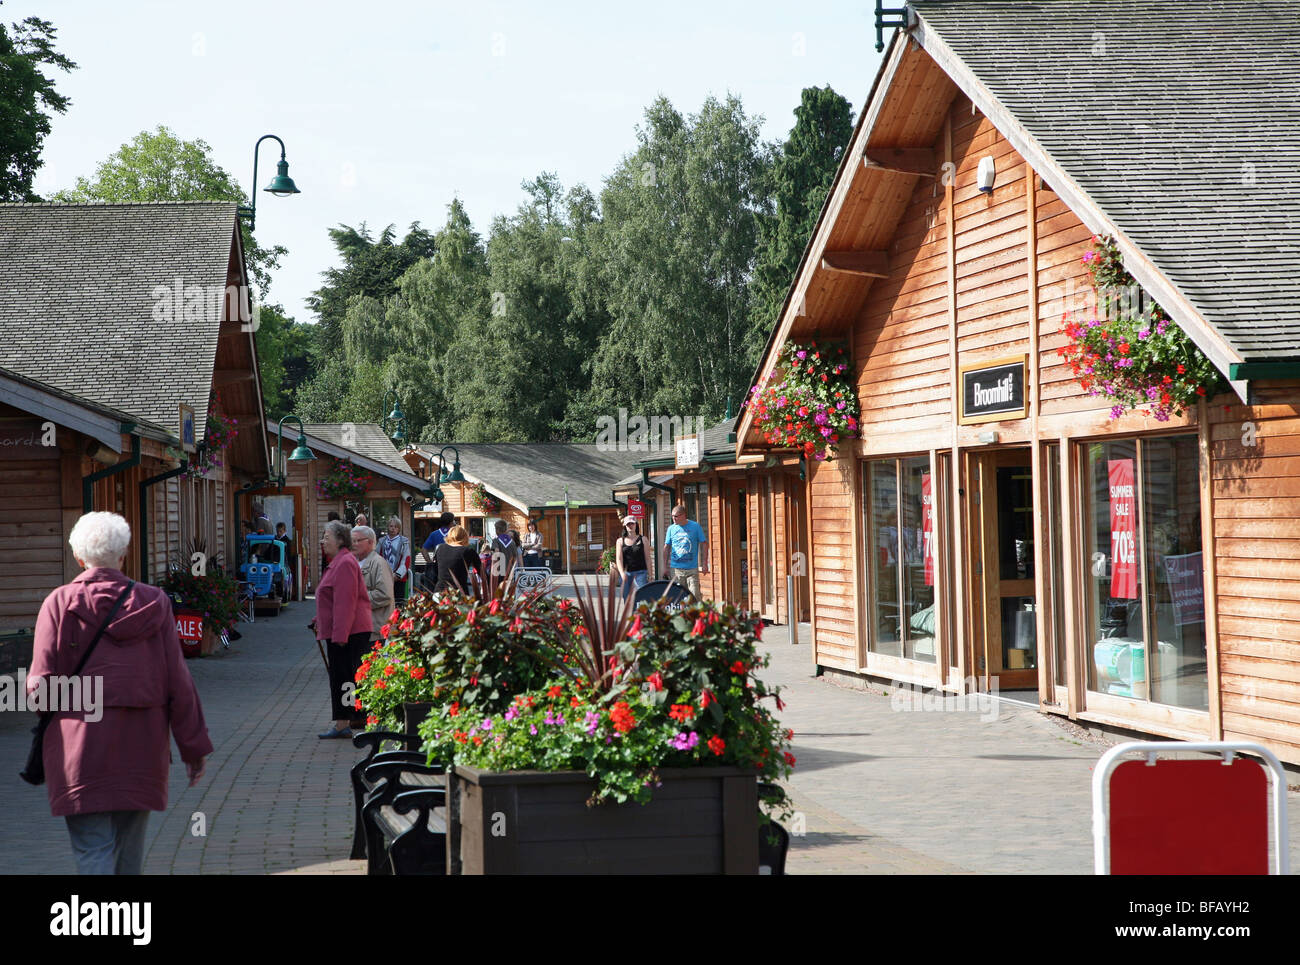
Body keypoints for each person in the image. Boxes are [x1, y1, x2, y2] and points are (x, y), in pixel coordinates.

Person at [30, 511, 212, 875]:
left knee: (92, 851)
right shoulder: (155, 603)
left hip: (79, 748)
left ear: (78, 558)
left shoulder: (59, 604)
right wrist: (193, 748)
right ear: (124, 554)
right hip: (141, 747)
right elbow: (178, 681)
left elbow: (40, 689)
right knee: (129, 856)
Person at [315, 519, 372, 739]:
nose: (323, 541)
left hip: (349, 632)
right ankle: (345, 720)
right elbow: (332, 600)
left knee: (344, 677)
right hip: (344, 630)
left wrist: (340, 635)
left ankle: (343, 723)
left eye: (327, 537)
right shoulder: (339, 562)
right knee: (342, 677)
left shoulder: (345, 563)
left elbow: (346, 603)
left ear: (340, 540)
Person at [353, 525, 394, 648]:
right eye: (351, 541)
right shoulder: (354, 562)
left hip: (374, 630)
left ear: (370, 542)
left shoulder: (378, 563)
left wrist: (356, 599)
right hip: (359, 629)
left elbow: (385, 595)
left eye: (357, 541)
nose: (353, 544)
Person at [663, 503, 708, 600]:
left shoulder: (695, 526)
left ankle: (697, 614)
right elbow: (666, 547)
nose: (673, 518)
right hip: (676, 569)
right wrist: (665, 567)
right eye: (672, 516)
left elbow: (704, 544)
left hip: (692, 569)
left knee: (694, 595)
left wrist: (704, 563)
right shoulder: (671, 529)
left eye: (676, 516)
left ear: (683, 515)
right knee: (677, 596)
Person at [433, 525, 483, 594]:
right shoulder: (468, 551)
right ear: (465, 537)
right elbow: (482, 573)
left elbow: (436, 570)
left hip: (439, 593)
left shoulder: (440, 548)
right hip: (459, 594)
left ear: (449, 536)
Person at [378, 516, 412, 602]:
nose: (393, 529)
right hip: (383, 578)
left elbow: (406, 560)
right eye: (391, 526)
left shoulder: (404, 542)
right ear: (388, 527)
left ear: (399, 529)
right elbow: (376, 557)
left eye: (396, 527)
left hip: (398, 579)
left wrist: (397, 575)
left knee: (399, 604)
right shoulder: (381, 541)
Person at [616, 516, 649, 600]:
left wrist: (651, 575)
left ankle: (640, 613)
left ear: (636, 525)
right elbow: (619, 559)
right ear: (625, 526)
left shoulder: (643, 539)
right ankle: (629, 613)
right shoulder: (620, 541)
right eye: (628, 524)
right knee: (626, 599)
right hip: (626, 574)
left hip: (641, 573)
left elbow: (648, 558)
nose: (630, 526)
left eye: (632, 524)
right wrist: (622, 573)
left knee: (641, 598)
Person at [420, 511, 456, 590]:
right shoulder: (455, 534)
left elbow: (423, 549)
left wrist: (429, 562)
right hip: (453, 567)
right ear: (451, 522)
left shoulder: (434, 534)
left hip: (438, 567)